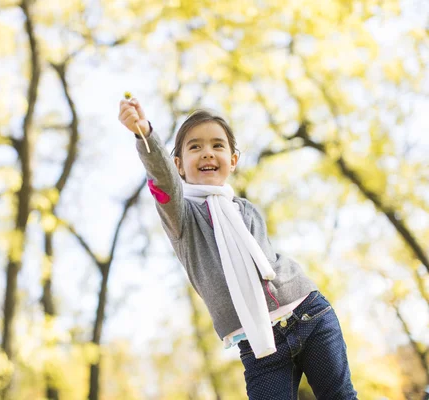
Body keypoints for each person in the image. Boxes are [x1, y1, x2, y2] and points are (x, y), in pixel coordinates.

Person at [118, 98, 358, 399]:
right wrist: (145, 135)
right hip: (259, 346)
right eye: (195, 147)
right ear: (177, 164)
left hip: (309, 313)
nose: (207, 151)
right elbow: (163, 183)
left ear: (232, 160)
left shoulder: (244, 209)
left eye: (217, 146)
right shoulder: (182, 218)